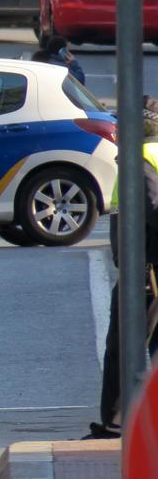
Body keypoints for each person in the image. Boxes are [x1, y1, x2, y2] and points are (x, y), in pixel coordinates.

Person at [89, 96, 158, 439]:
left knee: (122, 345)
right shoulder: (149, 155)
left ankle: (116, 422)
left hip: (145, 273)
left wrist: (143, 265)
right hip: (145, 270)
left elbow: (151, 209)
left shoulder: (140, 160)